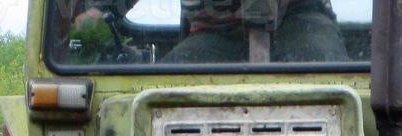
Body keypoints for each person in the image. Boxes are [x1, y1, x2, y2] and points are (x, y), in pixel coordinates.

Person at [71, 0, 348, 65]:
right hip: (216, 31)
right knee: (162, 97)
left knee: (335, 85)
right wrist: (103, 7)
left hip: (298, 19)